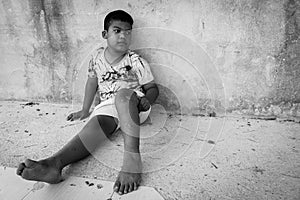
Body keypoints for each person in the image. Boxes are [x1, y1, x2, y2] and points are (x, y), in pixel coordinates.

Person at [16, 10, 159, 195]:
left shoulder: (135, 61)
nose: (123, 35)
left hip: (134, 104)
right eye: (117, 30)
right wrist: (85, 110)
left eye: (128, 31)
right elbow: (92, 83)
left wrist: (148, 100)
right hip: (109, 106)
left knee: (123, 95)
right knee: (94, 126)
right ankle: (54, 164)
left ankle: (132, 160)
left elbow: (153, 88)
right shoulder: (97, 58)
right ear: (105, 34)